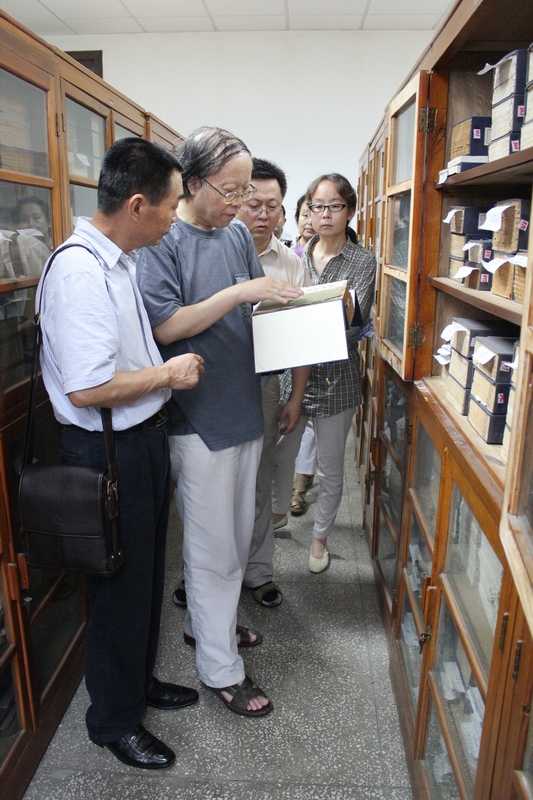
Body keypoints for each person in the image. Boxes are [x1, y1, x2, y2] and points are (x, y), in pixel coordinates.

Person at [38, 138, 205, 770]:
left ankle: (137, 684)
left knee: (145, 576)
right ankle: (113, 719)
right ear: (137, 205)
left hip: (139, 440)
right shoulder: (80, 272)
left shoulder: (121, 262)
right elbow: (87, 388)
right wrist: (168, 375)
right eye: (171, 205)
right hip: (108, 449)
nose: (174, 219)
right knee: (117, 587)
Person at [136, 127, 302, 717]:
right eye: (230, 191)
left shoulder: (232, 233)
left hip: (242, 403)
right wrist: (241, 294)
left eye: (245, 190)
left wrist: (293, 309)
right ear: (192, 182)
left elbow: (250, 305)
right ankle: (221, 669)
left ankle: (209, 627)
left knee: (232, 535)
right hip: (197, 418)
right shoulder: (162, 240)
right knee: (211, 547)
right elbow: (165, 326)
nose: (240, 204)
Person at [276, 173, 376, 573]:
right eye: (317, 206)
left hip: (338, 380)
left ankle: (320, 539)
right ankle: (276, 514)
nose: (325, 214)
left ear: (349, 211)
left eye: (335, 206)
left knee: (331, 467)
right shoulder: (294, 257)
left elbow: (353, 325)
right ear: (308, 211)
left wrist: (310, 319)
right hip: (292, 379)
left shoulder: (362, 261)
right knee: (282, 456)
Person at [236, 157, 311, 607]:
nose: (263, 214)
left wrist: (295, 396)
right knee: (210, 489)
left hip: (264, 386)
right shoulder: (217, 249)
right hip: (212, 387)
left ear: (283, 210)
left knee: (260, 480)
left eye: (273, 206)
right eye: (254, 204)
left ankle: (258, 571)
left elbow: (301, 337)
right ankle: (200, 573)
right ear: (238, 201)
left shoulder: (290, 264)